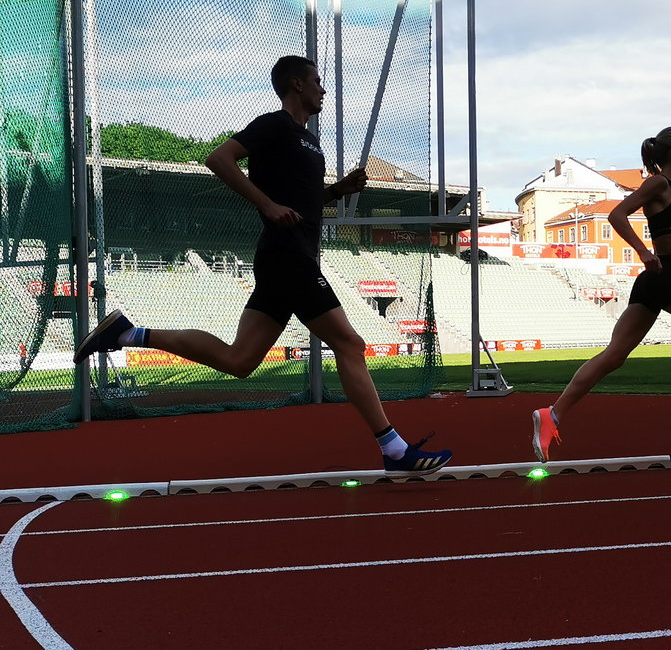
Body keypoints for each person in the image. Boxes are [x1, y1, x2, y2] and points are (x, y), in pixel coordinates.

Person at [74, 55, 451, 478]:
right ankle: (394, 450)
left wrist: (336, 192)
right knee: (350, 344)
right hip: (288, 257)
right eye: (316, 81)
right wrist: (266, 205)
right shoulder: (274, 125)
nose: (323, 89)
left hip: (286, 257)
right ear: (297, 85)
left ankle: (126, 332)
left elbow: (300, 201)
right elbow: (219, 159)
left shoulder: (310, 142)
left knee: (240, 360)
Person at [530, 126, 671, 462]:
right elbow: (617, 214)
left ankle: (552, 415)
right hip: (666, 279)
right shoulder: (658, 183)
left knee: (614, 356)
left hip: (657, 280)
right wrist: (643, 251)